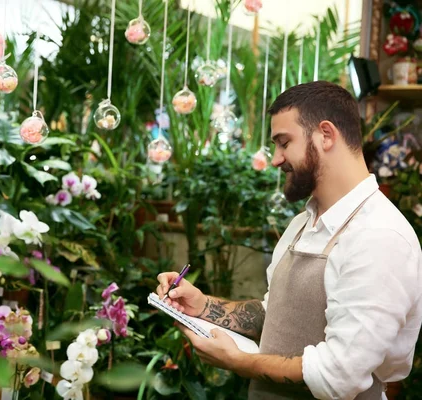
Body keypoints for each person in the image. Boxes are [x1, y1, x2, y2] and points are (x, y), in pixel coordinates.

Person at [156, 81, 422, 400]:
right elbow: (276, 314)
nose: (276, 159)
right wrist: (203, 305)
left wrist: (240, 362)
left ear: (326, 135)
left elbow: (339, 375)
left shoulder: (380, 235)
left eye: (284, 143)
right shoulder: (302, 223)